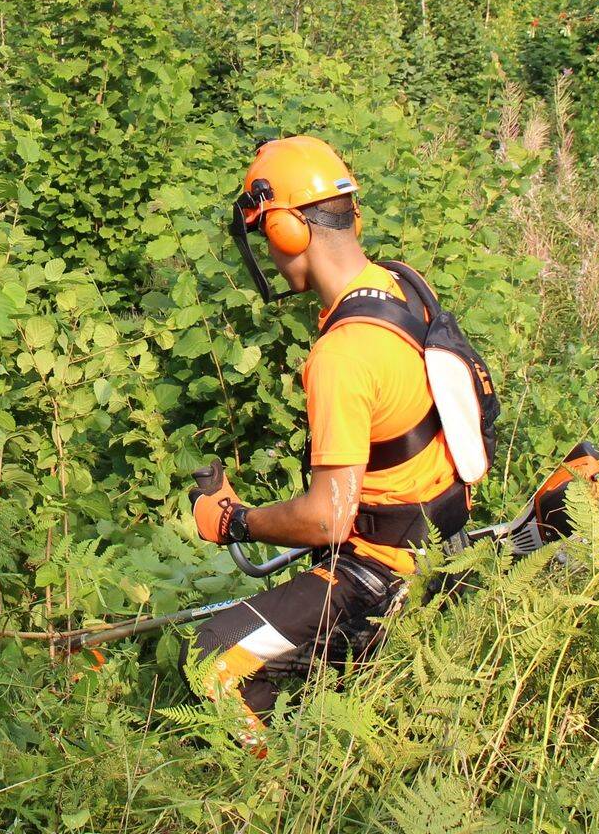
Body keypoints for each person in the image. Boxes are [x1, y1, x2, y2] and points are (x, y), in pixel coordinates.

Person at [188, 135, 473, 743]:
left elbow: (327, 521)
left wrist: (236, 521)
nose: (270, 251)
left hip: (384, 575)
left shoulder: (342, 356)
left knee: (212, 657)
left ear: (290, 231)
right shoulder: (402, 285)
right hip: (444, 538)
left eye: (267, 235)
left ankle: (268, 794)